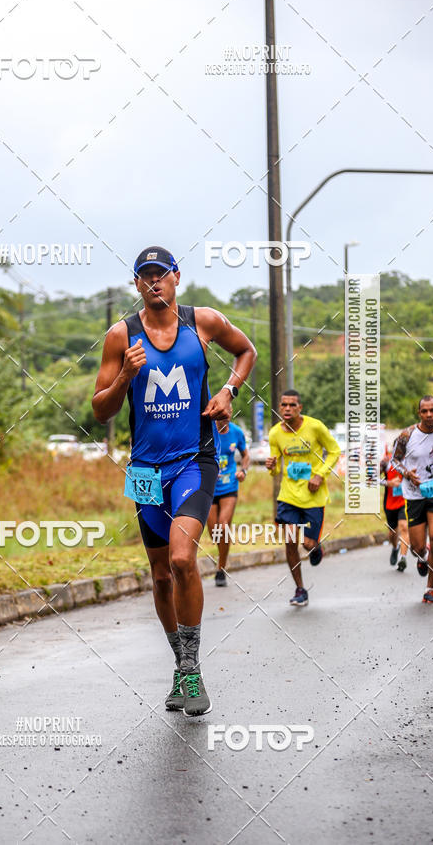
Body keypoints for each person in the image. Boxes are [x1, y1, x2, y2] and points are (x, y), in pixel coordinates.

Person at [92, 247, 255, 715]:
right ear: (136, 284)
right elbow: (100, 408)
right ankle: (181, 665)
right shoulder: (121, 335)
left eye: (161, 274)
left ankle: (192, 669)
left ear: (176, 277)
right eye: (145, 276)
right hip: (144, 470)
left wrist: (228, 391)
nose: (154, 282)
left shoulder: (202, 322)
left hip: (194, 461)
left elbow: (246, 351)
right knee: (160, 574)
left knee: (183, 558)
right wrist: (125, 375)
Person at [265, 390, 341, 607]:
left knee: (307, 544)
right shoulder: (274, 434)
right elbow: (275, 469)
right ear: (280, 408)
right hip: (288, 495)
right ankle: (300, 589)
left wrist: (320, 475)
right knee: (290, 542)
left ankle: (315, 548)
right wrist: (271, 466)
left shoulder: (315, 427)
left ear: (300, 408)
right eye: (284, 405)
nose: (287, 409)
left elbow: (334, 451)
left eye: (292, 405)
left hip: (313, 496)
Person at [391, 396, 433, 604]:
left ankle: (430, 589)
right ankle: (423, 557)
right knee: (417, 547)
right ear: (419, 413)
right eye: (424, 411)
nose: (429, 415)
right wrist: (407, 474)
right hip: (414, 495)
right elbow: (394, 460)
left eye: (432, 410)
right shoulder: (407, 435)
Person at [206, 420, 250, 586]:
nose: (223, 418)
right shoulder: (206, 430)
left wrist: (243, 471)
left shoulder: (236, 432)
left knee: (223, 527)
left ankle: (221, 569)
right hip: (209, 487)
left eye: (227, 414)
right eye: (220, 415)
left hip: (229, 485)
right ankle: (222, 557)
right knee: (214, 532)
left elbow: (246, 455)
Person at [380, 442, 409, 571]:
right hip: (390, 503)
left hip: (404, 501)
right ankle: (395, 547)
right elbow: (371, 478)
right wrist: (388, 483)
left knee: (404, 527)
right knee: (392, 533)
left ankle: (403, 558)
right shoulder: (386, 462)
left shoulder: (410, 461)